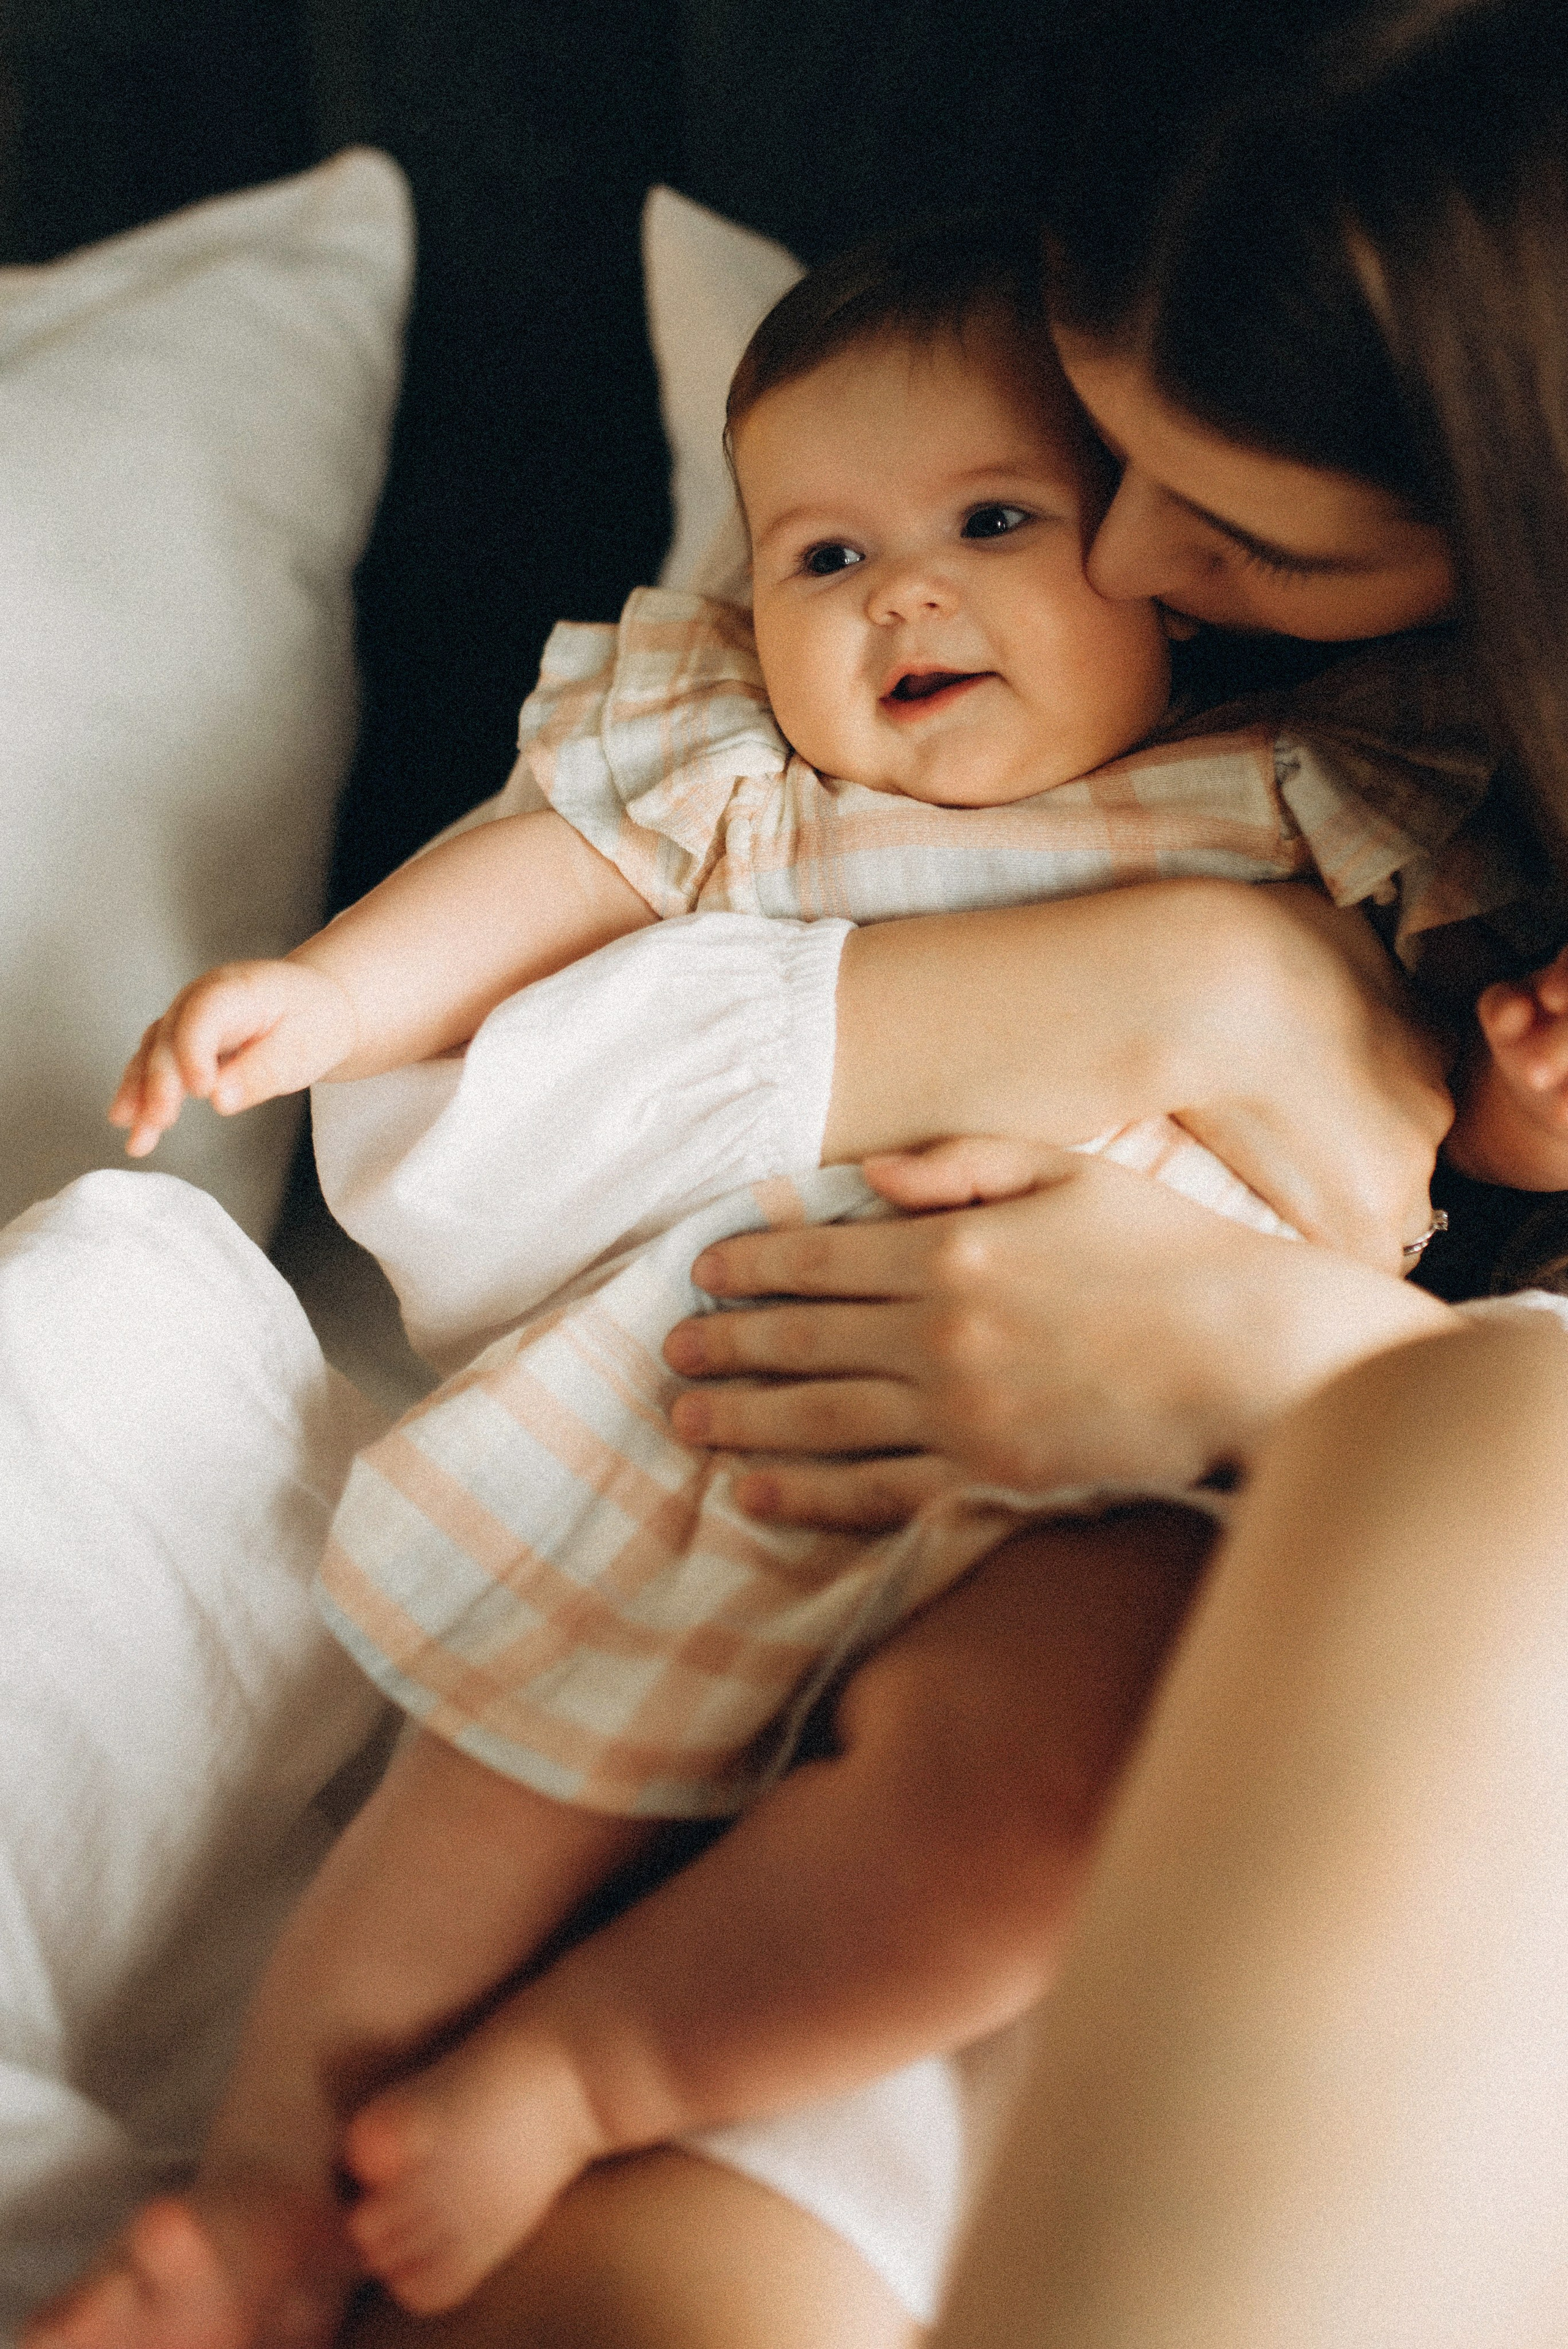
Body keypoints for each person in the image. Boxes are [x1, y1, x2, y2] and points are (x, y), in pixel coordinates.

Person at [36, 202, 1539, 2347]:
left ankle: (590, 2062)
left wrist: (1529, 1113)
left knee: (1041, 1793)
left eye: (994, 519)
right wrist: (327, 995)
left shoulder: (1331, 789)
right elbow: (543, 872)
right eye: (821, 557)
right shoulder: (751, 771)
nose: (900, 589)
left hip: (1123, 1476)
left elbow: (1438, 1149)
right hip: (753, 1392)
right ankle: (267, 2191)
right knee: (497, 1785)